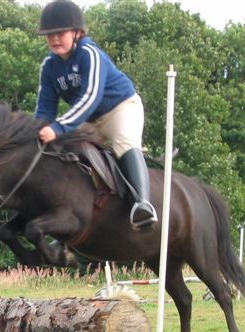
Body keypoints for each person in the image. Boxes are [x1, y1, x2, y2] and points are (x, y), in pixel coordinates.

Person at [34, 0, 157, 230]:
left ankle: (142, 205)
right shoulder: (49, 66)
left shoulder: (90, 54)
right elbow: (45, 109)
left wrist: (58, 128)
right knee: (65, 149)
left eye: (60, 33)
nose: (54, 39)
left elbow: (90, 97)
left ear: (77, 33)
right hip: (89, 120)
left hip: (121, 108)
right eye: (49, 34)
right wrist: (36, 132)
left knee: (124, 143)